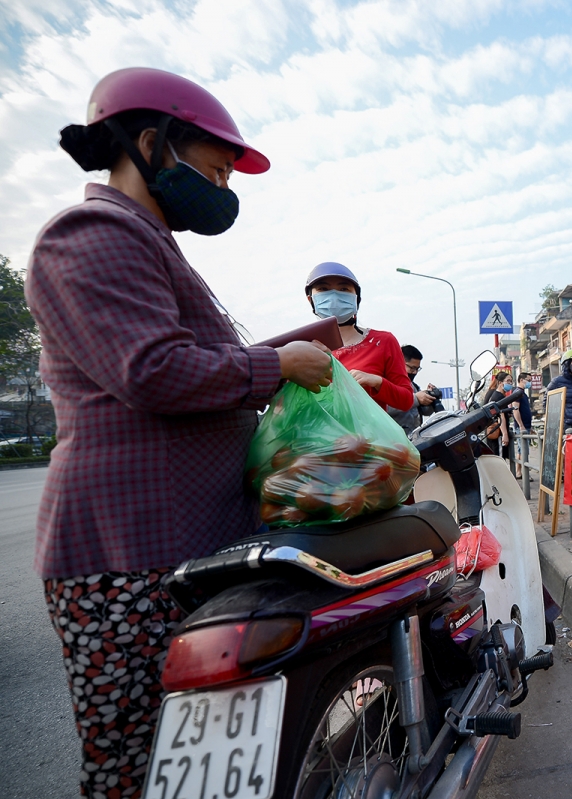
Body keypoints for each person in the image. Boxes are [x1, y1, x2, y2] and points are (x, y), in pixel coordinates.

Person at [27, 68, 333, 799]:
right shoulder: (89, 233)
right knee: (141, 761)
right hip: (123, 557)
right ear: (150, 143)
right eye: (217, 168)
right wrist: (276, 365)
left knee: (206, 758)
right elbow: (154, 370)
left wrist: (306, 357)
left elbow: (196, 362)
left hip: (181, 546)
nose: (226, 188)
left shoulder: (145, 240)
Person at [305, 262, 413, 414]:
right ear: (311, 300)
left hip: (370, 437)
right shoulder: (302, 349)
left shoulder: (382, 342)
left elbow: (406, 400)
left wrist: (377, 382)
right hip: (315, 436)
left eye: (344, 289)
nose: (334, 296)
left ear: (356, 299)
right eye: (323, 289)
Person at [390, 345, 442, 434]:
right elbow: (385, 408)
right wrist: (416, 399)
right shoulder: (385, 384)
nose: (415, 372)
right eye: (412, 368)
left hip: (412, 439)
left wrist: (429, 399)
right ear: (400, 363)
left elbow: (424, 412)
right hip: (392, 440)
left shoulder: (414, 387)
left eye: (417, 369)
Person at [483, 371, 513, 457]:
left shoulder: (495, 396)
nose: (510, 383)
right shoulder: (498, 397)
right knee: (500, 460)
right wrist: (505, 434)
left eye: (511, 381)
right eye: (508, 381)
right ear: (500, 382)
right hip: (498, 435)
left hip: (494, 434)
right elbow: (501, 417)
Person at [512, 372, 534, 477]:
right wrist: (521, 425)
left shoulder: (523, 393)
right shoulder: (517, 393)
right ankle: (523, 473)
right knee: (524, 450)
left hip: (526, 426)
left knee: (522, 450)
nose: (530, 383)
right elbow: (515, 410)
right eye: (528, 380)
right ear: (521, 380)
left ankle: (519, 472)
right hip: (522, 427)